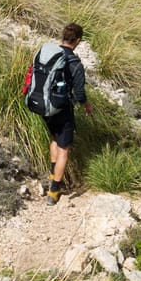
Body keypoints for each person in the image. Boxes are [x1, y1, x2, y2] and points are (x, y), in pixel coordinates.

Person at [31, 23, 90, 204]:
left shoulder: (51, 55)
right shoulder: (75, 64)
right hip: (63, 108)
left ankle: (52, 174)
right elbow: (79, 94)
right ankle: (54, 191)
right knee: (64, 149)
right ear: (78, 40)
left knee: (55, 140)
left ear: (63, 37)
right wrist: (86, 105)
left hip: (46, 106)